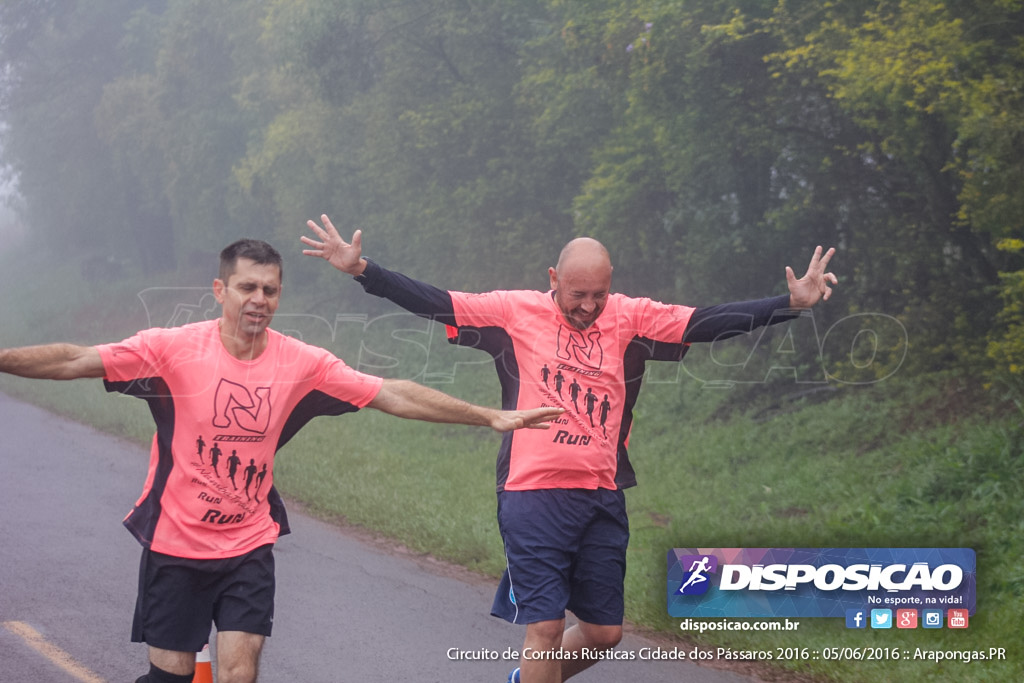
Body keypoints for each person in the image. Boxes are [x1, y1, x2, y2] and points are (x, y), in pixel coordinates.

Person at [0, 239, 563, 683]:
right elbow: (75, 359)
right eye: (247, 287)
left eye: (270, 290)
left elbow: (390, 392)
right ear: (220, 290)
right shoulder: (171, 349)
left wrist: (487, 415)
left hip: (248, 542)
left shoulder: (302, 363)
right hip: (175, 544)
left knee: (240, 670)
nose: (259, 300)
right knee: (169, 674)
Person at [302, 216, 837, 683]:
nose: (586, 307)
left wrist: (789, 303)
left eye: (597, 296)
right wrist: (363, 270)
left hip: (601, 494)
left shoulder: (629, 317)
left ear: (611, 287)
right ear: (553, 280)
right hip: (531, 491)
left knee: (605, 633)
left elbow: (706, 321)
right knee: (546, 627)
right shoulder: (514, 313)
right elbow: (436, 301)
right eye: (575, 294)